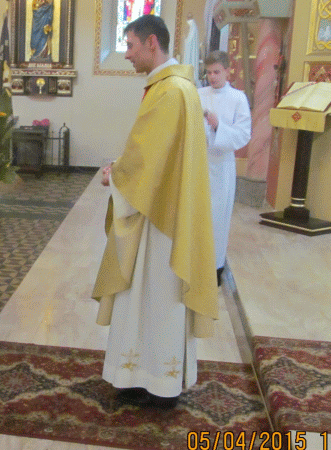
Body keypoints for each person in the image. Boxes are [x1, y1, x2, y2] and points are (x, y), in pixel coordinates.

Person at [92, 15, 218, 409]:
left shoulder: (170, 91)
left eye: (130, 46)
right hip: (164, 205)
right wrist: (123, 168)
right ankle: (144, 375)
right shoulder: (175, 86)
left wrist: (117, 175)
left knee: (154, 297)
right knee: (149, 298)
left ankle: (158, 383)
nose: (127, 54)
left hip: (161, 216)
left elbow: (148, 159)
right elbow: (153, 151)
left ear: (151, 43)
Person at [198, 51, 252, 286]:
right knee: (197, 216)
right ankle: (194, 264)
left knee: (217, 219)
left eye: (217, 72)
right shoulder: (198, 95)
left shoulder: (238, 98)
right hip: (199, 163)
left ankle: (214, 268)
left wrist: (218, 126)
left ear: (228, 71)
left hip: (221, 167)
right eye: (209, 72)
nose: (212, 77)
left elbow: (243, 135)